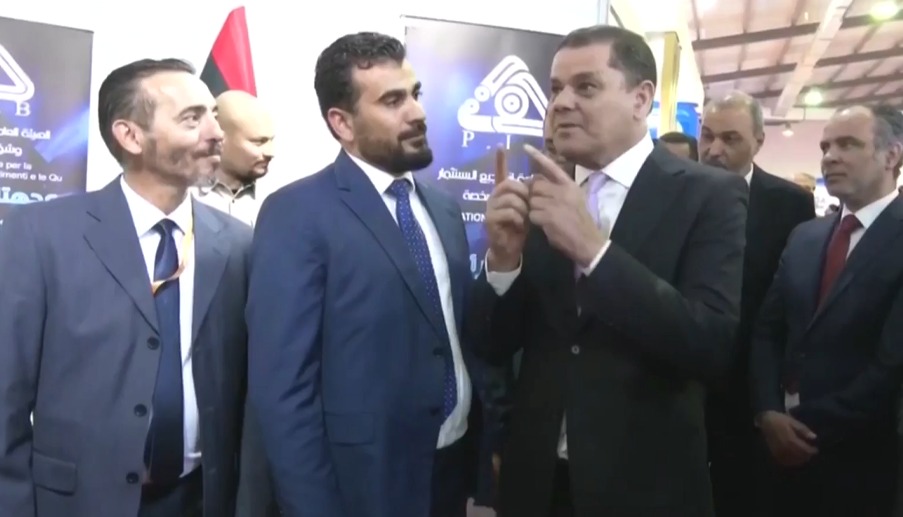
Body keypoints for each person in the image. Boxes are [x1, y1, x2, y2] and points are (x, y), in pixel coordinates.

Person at [472, 25, 748, 517]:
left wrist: (593, 252)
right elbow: (494, 346)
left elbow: (709, 343)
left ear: (641, 98)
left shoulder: (708, 195)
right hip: (538, 483)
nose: (561, 103)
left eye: (586, 87)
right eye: (556, 88)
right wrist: (504, 261)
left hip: (644, 488)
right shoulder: (541, 192)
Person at [0, 58, 260, 517]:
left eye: (214, 116)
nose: (216, 133)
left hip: (201, 501)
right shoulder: (40, 235)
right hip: (77, 504)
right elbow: (6, 398)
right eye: (192, 118)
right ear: (131, 136)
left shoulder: (239, 245)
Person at [246, 32, 488, 517]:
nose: (418, 113)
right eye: (393, 101)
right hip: (359, 485)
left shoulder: (444, 211)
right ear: (342, 123)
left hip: (448, 472)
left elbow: (457, 341)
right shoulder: (297, 214)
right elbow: (282, 388)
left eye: (416, 94)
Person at [750, 104, 903, 517]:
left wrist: (803, 425)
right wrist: (767, 411)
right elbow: (767, 330)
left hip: (861, 458)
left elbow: (891, 364)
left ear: (892, 155)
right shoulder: (805, 236)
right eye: (825, 147)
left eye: (847, 145)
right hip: (776, 447)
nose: (830, 157)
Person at [698, 91, 815, 517]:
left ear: (759, 141)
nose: (714, 149)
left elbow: (790, 304)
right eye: (707, 136)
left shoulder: (790, 203)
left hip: (749, 389)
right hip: (679, 380)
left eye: (730, 138)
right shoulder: (673, 191)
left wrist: (771, 396)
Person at [193, 89, 275, 226]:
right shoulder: (180, 198)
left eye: (271, 140)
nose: (270, 152)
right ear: (219, 138)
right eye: (258, 142)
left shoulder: (279, 199)